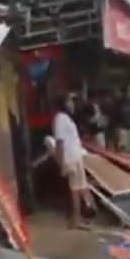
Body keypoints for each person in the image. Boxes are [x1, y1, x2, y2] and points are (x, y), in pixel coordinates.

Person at [52, 93, 97, 228]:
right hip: (71, 157)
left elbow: (64, 142)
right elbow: (59, 142)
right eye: (70, 101)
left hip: (74, 156)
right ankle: (82, 216)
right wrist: (61, 162)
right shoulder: (61, 119)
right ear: (63, 103)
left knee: (77, 188)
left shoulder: (64, 119)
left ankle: (79, 218)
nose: (72, 104)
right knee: (79, 188)